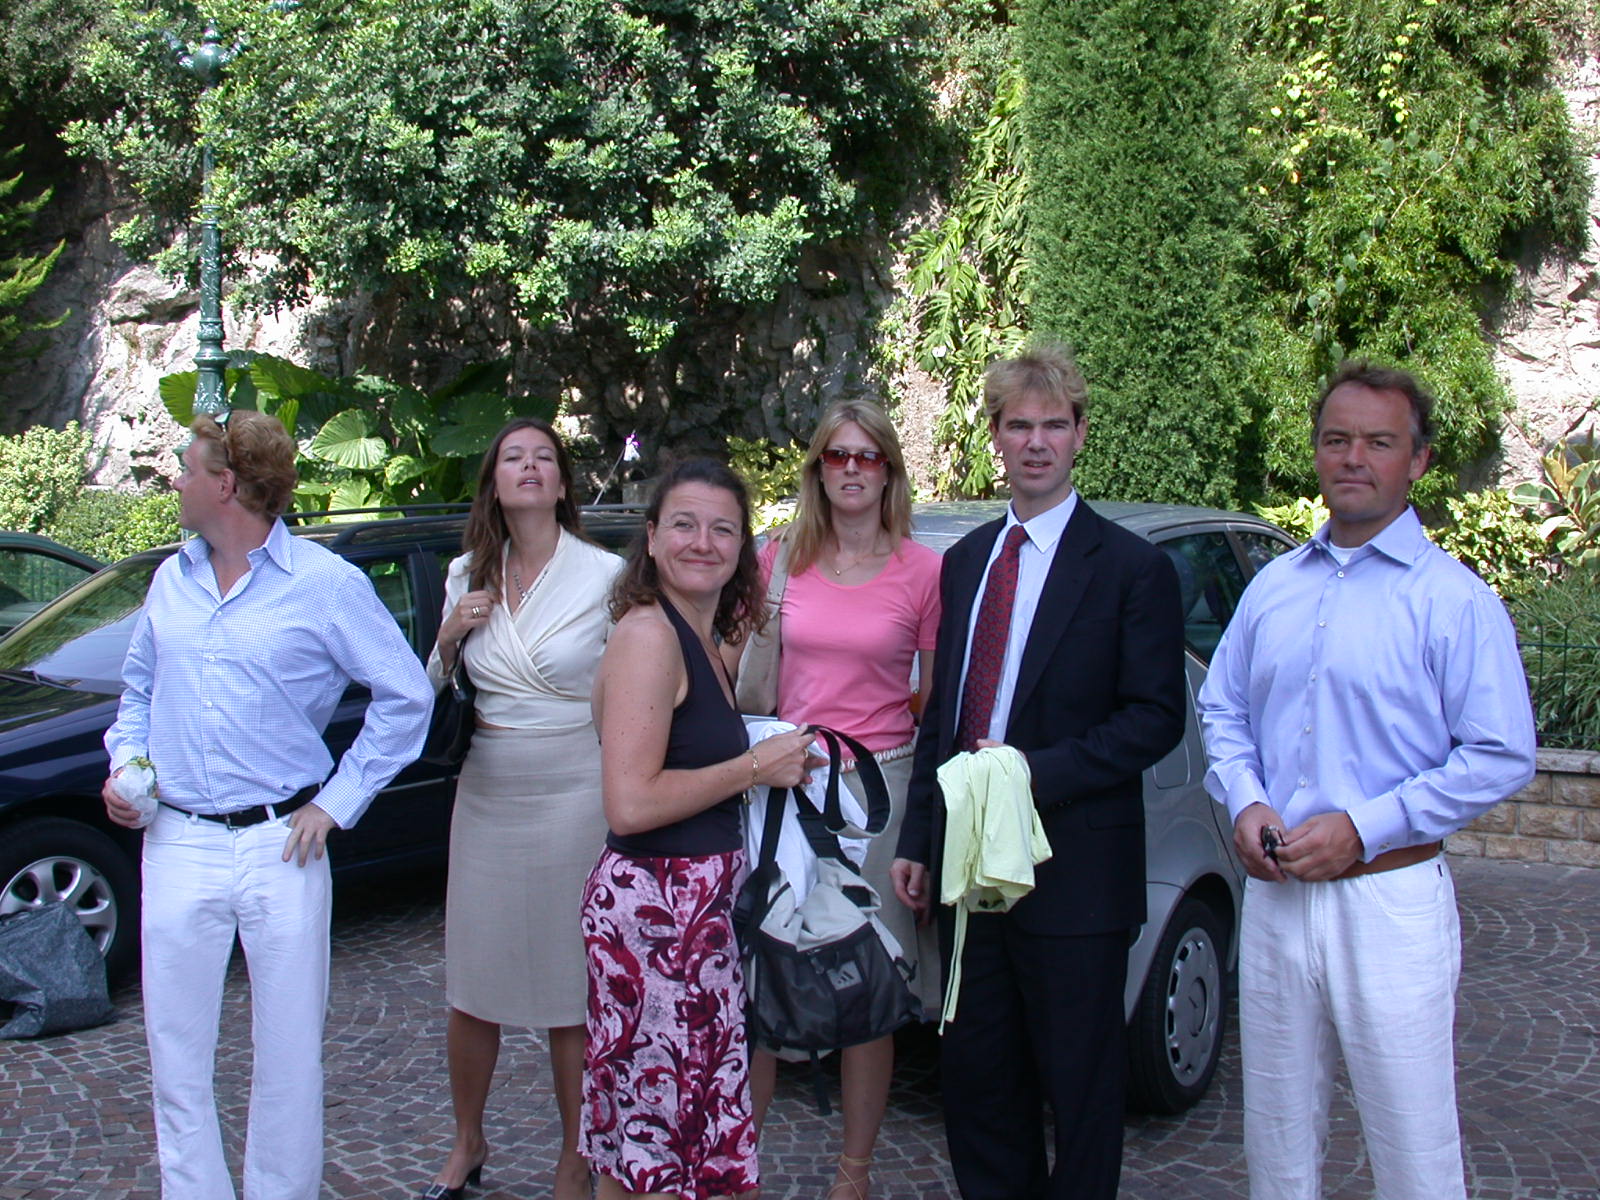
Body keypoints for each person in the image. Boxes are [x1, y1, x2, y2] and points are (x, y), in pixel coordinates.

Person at [1196, 361, 1537, 1200]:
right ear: (1316, 451)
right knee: (1276, 1145)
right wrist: (1246, 799)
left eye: (1379, 442)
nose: (1354, 458)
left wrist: (1366, 826)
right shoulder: (1272, 589)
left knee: (1414, 1150)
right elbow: (1222, 708)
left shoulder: (1453, 600)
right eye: (1337, 439)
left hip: (1390, 901)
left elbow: (1502, 752)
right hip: (1276, 900)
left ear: (1417, 461)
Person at [101, 409, 432, 1200]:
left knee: (288, 1056)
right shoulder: (170, 580)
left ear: (226, 484)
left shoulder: (324, 584)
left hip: (282, 842)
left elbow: (407, 695)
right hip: (177, 839)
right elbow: (137, 693)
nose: (175, 480)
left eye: (187, 468)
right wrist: (128, 768)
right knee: (175, 1054)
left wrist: (338, 801)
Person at [890, 344, 1186, 1200]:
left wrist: (1031, 773)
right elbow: (944, 714)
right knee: (978, 1079)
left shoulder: (1131, 569)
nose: (1037, 442)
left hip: (1075, 869)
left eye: (1054, 424)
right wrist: (918, 836)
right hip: (968, 870)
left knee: (1080, 1088)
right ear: (996, 434)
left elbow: (1155, 717)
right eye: (1019, 425)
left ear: (1080, 433)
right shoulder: (967, 562)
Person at [579, 458, 819, 1200]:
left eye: (723, 529)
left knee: (654, 1140)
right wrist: (754, 767)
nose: (703, 542)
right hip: (659, 920)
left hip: (690, 920)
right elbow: (629, 803)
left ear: (743, 548)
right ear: (651, 538)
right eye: (684, 524)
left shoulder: (699, 638)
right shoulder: (650, 636)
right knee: (658, 1142)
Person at [738, 398, 941, 1200]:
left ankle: (852, 1176)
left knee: (869, 987)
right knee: (763, 975)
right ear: (818, 469)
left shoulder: (923, 571)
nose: (851, 469)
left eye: (866, 456)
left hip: (877, 792)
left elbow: (937, 699)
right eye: (836, 455)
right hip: (787, 788)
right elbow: (734, 664)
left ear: (888, 470)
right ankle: (736, 1166)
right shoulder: (776, 559)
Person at [421, 418, 622, 1200]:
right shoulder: (466, 572)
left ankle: (577, 1156)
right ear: (495, 483)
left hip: (575, 786)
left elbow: (630, 677)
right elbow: (432, 682)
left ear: (563, 483)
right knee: (474, 980)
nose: (530, 467)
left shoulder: (606, 575)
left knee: (571, 988)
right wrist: (449, 634)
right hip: (488, 788)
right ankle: (466, 1140)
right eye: (514, 457)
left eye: (544, 457)